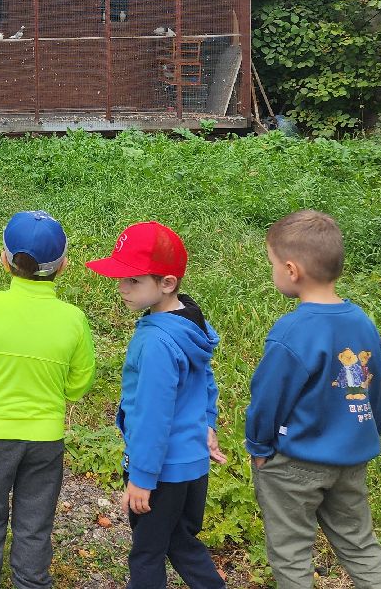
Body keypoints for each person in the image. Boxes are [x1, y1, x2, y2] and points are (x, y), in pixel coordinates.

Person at [246, 210, 381, 589]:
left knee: (292, 550)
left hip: (294, 462)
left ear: (292, 270)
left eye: (273, 264)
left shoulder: (292, 330)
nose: (274, 271)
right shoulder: (362, 321)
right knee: (360, 544)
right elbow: (378, 384)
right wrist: (368, 432)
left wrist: (259, 445)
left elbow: (268, 397)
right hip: (351, 458)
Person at [0, 211, 97, 589]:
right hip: (44, 439)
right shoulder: (73, 318)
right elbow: (79, 385)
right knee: (35, 523)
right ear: (62, 265)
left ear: (4, 259)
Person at [85, 221, 227, 589]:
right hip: (192, 461)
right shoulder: (190, 325)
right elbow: (205, 380)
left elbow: (152, 416)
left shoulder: (156, 345)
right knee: (179, 541)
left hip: (161, 470)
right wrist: (208, 424)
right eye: (121, 279)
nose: (121, 289)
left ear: (167, 283)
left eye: (133, 281)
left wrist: (142, 479)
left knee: (147, 552)